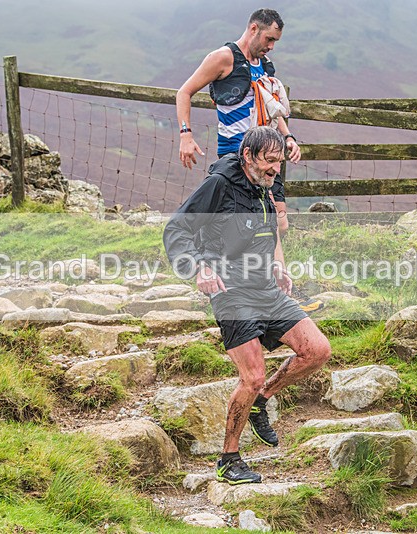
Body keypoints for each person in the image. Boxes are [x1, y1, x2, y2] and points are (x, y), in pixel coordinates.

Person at [163, 127, 331, 484]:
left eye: (279, 162)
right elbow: (177, 228)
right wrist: (198, 267)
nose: (275, 169)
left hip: (265, 287)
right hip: (230, 291)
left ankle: (261, 401)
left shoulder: (264, 187)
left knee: (316, 350)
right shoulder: (220, 185)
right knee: (251, 375)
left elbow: (263, 233)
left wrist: (275, 265)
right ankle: (229, 458)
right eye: (269, 161)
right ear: (248, 156)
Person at [176, 8, 300, 238]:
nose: (271, 46)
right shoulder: (223, 58)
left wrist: (288, 137)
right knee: (249, 223)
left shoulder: (263, 63)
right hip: (237, 154)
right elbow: (184, 92)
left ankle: (263, 269)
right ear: (254, 29)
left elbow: (270, 106)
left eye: (275, 41)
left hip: (266, 155)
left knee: (279, 224)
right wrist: (186, 135)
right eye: (269, 39)